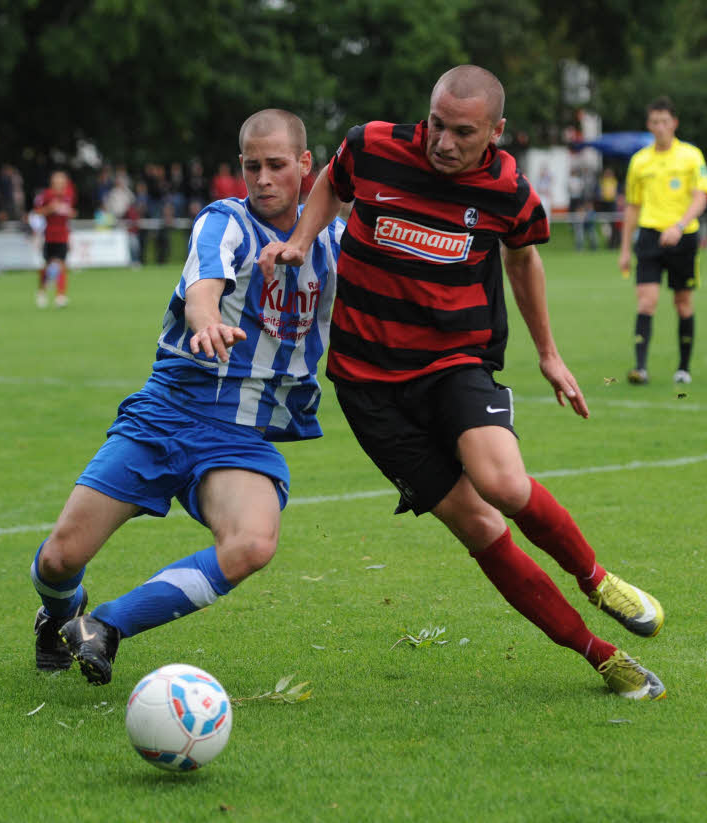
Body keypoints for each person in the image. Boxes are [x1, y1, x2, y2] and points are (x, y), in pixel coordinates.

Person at [259, 65, 666, 701]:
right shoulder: (371, 145)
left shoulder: (508, 189)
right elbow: (330, 188)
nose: (443, 143)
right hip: (367, 386)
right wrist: (301, 239)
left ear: (497, 132)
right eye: (437, 125)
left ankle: (597, 580)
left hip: (454, 362)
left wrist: (549, 353)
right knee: (479, 528)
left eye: (463, 133)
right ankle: (601, 657)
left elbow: (523, 257)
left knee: (503, 483)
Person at [31, 109, 343, 686]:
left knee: (252, 543)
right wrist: (206, 321)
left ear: (306, 165)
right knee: (58, 560)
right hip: (167, 413)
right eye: (252, 166)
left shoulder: (336, 244)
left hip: (238, 437)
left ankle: (108, 625)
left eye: (277, 165)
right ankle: (59, 614)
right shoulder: (222, 221)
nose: (264, 178)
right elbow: (204, 290)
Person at [618, 96, 707, 386]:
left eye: (664, 121)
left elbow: (701, 197)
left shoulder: (691, 156)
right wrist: (624, 249)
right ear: (649, 124)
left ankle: (683, 368)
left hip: (683, 237)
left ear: (674, 123)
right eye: (654, 122)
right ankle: (640, 367)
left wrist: (680, 225)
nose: (659, 127)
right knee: (646, 301)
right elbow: (632, 206)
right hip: (649, 236)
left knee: (683, 303)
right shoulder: (640, 161)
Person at [32, 170, 77, 308]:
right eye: (57, 181)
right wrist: (50, 209)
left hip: (63, 235)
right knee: (46, 265)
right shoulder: (47, 195)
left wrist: (70, 213)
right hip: (49, 235)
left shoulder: (69, 194)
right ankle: (41, 292)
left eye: (62, 180)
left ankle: (60, 296)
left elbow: (73, 212)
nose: (60, 183)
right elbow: (37, 212)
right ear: (52, 182)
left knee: (62, 265)